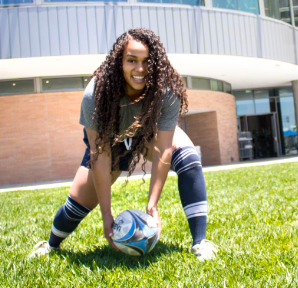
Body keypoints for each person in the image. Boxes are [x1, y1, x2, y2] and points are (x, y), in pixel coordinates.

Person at [30, 28, 217, 261]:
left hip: (148, 135)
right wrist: (106, 215)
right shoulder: (96, 94)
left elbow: (163, 149)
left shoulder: (166, 91)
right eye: (131, 61)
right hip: (110, 146)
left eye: (147, 61)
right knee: (77, 204)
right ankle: (50, 245)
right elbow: (101, 154)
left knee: (188, 157)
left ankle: (200, 242)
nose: (140, 69)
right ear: (119, 62)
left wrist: (153, 205)